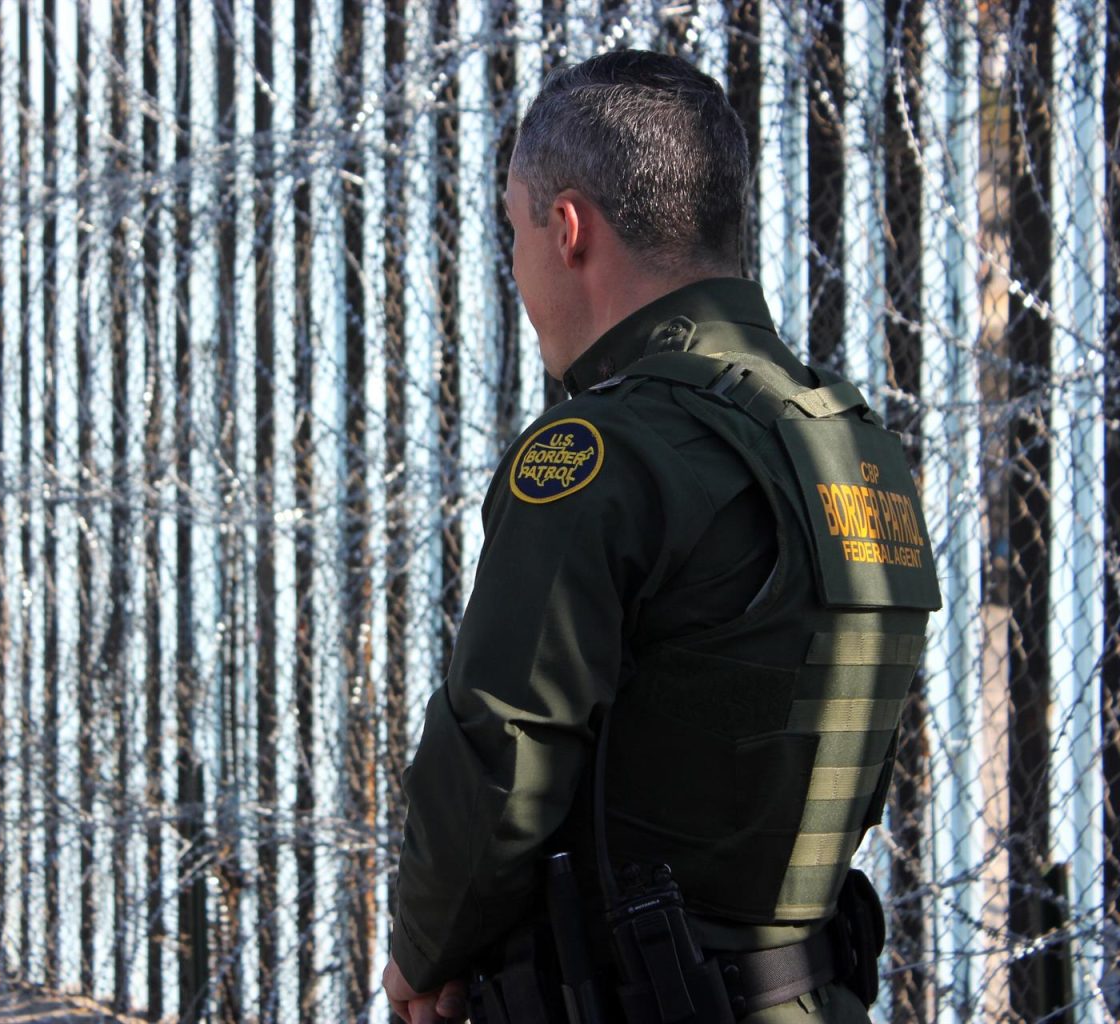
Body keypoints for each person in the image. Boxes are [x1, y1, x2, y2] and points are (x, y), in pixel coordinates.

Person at [381, 50, 940, 1024]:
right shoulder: (858, 451)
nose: (515, 272)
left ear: (566, 229)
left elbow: (502, 755)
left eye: (513, 233)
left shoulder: (603, 452)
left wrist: (424, 956)